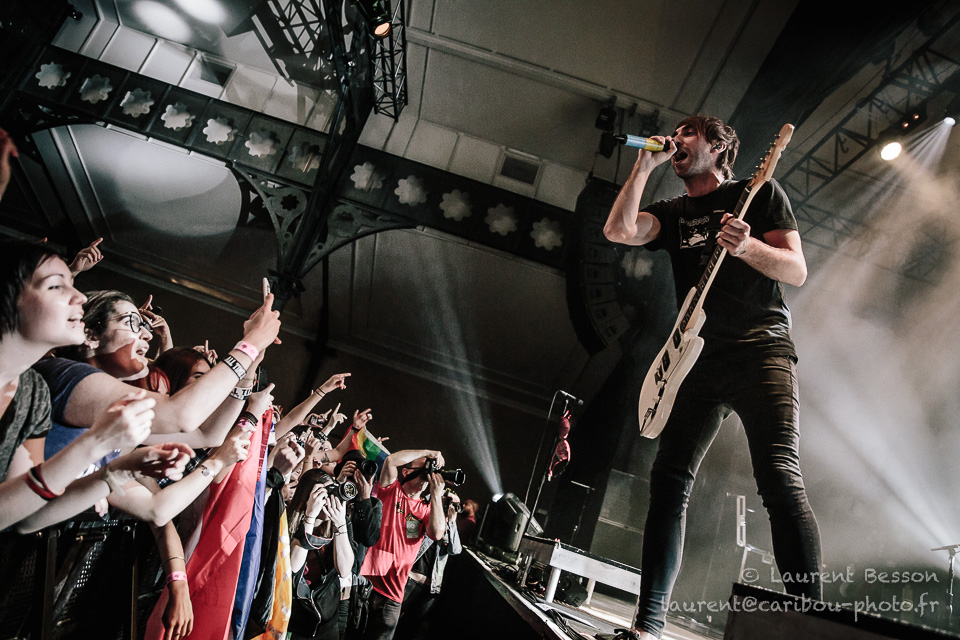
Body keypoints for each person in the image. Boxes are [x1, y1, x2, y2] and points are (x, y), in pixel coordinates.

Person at [603, 115, 822, 639]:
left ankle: (814, 625)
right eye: (674, 133)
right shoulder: (674, 213)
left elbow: (796, 270)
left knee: (778, 477)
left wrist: (747, 247)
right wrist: (643, 165)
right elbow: (619, 231)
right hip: (696, 358)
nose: (675, 138)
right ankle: (647, 626)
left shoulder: (760, 194)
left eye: (688, 132)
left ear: (719, 145)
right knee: (668, 480)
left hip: (761, 349)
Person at [359, 449, 446, 640]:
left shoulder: (425, 509)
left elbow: (437, 533)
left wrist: (436, 496)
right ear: (405, 472)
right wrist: (428, 452)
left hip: (393, 593)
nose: (426, 476)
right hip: (366, 583)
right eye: (423, 470)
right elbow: (391, 460)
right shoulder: (392, 489)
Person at [392, 489, 462, 640]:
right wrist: (436, 502)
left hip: (430, 589)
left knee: (408, 630)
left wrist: (451, 521)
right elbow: (410, 535)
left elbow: (455, 550)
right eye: (446, 501)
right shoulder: (422, 512)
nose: (448, 505)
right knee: (391, 623)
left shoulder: (449, 527)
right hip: (409, 580)